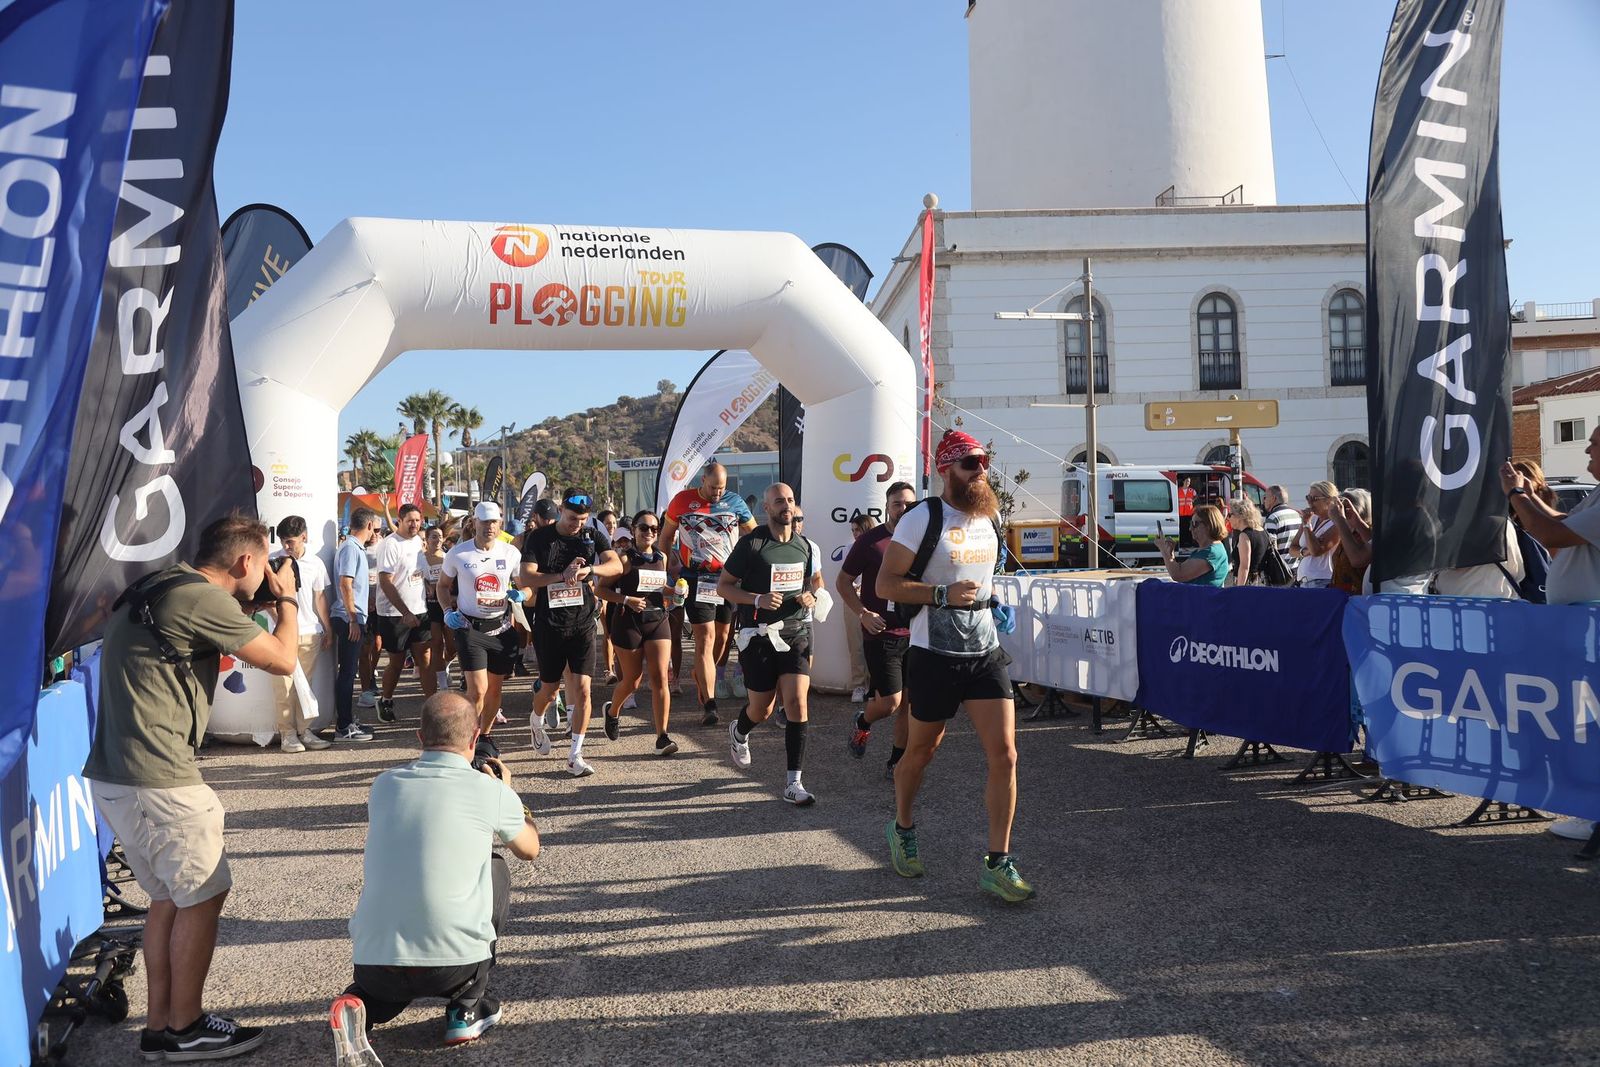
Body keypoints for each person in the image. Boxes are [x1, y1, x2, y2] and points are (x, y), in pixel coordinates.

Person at [85, 515, 307, 1061]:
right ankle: (186, 1028)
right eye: (262, 566)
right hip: (160, 778)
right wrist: (288, 601)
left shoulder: (164, 584)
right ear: (244, 563)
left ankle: (162, 1025)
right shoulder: (203, 600)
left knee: (169, 897)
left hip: (120, 774)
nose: (264, 576)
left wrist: (254, 607)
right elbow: (283, 660)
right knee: (204, 894)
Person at [329, 692, 540, 1060]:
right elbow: (530, 848)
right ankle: (466, 1007)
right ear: (474, 739)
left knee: (384, 996)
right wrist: (510, 795)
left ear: (420, 738)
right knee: (495, 866)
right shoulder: (487, 790)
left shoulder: (384, 785)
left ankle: (360, 1002)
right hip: (452, 967)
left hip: (376, 964)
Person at [876, 430, 1033, 902]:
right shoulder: (923, 518)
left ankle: (998, 861)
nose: (980, 470)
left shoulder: (991, 516)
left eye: (983, 462)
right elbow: (886, 584)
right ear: (946, 469)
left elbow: (985, 579)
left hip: (984, 652)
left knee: (1005, 754)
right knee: (920, 753)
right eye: (969, 464)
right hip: (933, 653)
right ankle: (902, 827)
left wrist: (992, 602)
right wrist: (940, 594)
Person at [1502, 425, 1600, 841]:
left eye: (1595, 442)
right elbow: (1563, 520)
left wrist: (1517, 495)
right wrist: (1528, 495)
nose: (1587, 448)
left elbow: (1553, 533)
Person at [719, 483, 825, 805]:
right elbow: (724, 587)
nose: (787, 506)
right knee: (762, 709)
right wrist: (757, 599)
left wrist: (811, 594)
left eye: (790, 500)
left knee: (797, 703)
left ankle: (794, 783)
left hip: (795, 632)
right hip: (758, 636)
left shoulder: (804, 546)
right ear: (766, 508)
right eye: (780, 501)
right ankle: (740, 731)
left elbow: (815, 580)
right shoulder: (751, 545)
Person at [522, 490, 623, 776]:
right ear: (560, 510)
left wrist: (589, 570)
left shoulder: (592, 535)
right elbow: (526, 576)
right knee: (550, 689)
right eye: (570, 518)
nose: (576, 524)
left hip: (583, 623)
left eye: (581, 519)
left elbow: (616, 565)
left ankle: (575, 755)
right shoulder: (540, 538)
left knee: (583, 691)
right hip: (549, 624)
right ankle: (536, 718)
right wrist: (561, 576)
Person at [662, 462, 756, 726]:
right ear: (702, 480)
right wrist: (669, 562)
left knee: (723, 639)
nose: (717, 492)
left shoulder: (735, 502)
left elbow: (755, 534)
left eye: (722, 488)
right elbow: (666, 536)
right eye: (713, 487)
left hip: (727, 580)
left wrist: (750, 564)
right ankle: (710, 704)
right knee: (705, 637)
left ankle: (703, 674)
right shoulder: (682, 501)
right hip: (695, 578)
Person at [838, 482, 916, 779]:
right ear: (887, 506)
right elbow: (843, 582)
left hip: (916, 633)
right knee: (890, 703)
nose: (904, 508)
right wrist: (863, 613)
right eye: (897, 503)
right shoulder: (871, 541)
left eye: (909, 503)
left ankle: (896, 762)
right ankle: (863, 720)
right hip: (881, 633)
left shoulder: (922, 540)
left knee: (910, 703)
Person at [438, 503, 527, 736]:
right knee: (477, 691)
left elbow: (526, 586)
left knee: (494, 692)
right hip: (470, 629)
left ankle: (484, 737)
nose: (489, 526)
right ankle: (468, 739)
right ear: (474, 522)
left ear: (500, 523)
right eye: (484, 521)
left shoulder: (511, 553)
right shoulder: (458, 553)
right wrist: (448, 611)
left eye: (494, 521)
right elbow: (442, 586)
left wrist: (523, 594)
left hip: (501, 628)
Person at [596, 510, 677, 755]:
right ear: (634, 530)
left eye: (654, 528)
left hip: (657, 620)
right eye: (644, 528)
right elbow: (601, 591)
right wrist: (626, 599)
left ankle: (662, 736)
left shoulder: (662, 556)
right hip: (628, 621)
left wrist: (676, 593)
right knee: (632, 680)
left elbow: (660, 588)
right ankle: (612, 711)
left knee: (661, 678)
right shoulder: (624, 559)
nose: (650, 532)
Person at [268, 515, 333, 752]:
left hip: (309, 633)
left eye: (291, 542)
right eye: (284, 542)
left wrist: (327, 628)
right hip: (280, 636)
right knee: (283, 686)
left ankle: (304, 731)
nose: (286, 547)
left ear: (304, 537)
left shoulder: (315, 563)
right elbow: (266, 600)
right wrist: (281, 621)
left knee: (305, 684)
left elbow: (320, 597)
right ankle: (287, 735)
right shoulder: (272, 561)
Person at [373, 504, 436, 723]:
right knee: (397, 662)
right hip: (393, 614)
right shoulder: (390, 544)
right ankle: (386, 700)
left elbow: (418, 571)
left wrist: (428, 583)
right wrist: (405, 612)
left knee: (425, 659)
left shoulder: (418, 541)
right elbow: (385, 581)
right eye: (410, 520)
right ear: (399, 520)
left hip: (420, 610)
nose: (415, 524)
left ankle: (432, 707)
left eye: (418, 520)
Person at [330, 509, 380, 742]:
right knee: (348, 673)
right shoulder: (351, 547)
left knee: (349, 673)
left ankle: (347, 721)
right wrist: (352, 618)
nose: (376, 534)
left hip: (353, 616)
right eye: (376, 529)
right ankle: (343, 726)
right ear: (369, 525)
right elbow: (345, 584)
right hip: (348, 617)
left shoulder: (353, 547)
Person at [843, 514, 879, 704]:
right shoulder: (849, 548)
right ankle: (859, 685)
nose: (855, 534)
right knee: (856, 645)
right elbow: (845, 578)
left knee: (876, 643)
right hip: (853, 600)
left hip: (876, 600)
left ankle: (876, 685)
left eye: (858, 529)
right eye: (853, 530)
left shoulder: (881, 546)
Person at [1157, 503, 1230, 586]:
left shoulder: (1211, 552)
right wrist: (1170, 553)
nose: (1190, 528)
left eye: (1195, 524)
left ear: (1209, 525)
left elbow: (1178, 574)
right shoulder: (1208, 549)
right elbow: (1180, 570)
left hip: (1203, 598)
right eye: (1190, 523)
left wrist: (1163, 550)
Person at [423, 525, 458, 693]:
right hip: (430, 606)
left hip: (447, 603)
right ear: (427, 540)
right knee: (436, 644)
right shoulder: (420, 559)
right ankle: (443, 684)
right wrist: (426, 585)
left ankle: (446, 665)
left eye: (439, 536)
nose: (437, 540)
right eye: (433, 537)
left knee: (452, 647)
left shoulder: (448, 557)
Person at [1291, 481, 1340, 588]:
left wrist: (1307, 525)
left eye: (1314, 499)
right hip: (1303, 581)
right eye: (1308, 498)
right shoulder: (1312, 518)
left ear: (1329, 500)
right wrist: (1304, 552)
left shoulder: (1336, 523)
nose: (1310, 503)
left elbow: (1316, 551)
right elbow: (1292, 548)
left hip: (1322, 580)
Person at [1327, 489, 1375, 594]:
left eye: (1345, 507)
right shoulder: (1347, 533)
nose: (1341, 510)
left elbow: (1357, 560)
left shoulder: (1366, 534)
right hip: (1340, 596)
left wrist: (1341, 520)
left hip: (1358, 599)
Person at [1224, 499, 1270, 588]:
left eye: (1230, 515)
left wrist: (1239, 590)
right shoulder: (1262, 530)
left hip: (1248, 583)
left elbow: (1244, 567)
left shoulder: (1244, 536)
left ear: (1240, 516)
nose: (1228, 518)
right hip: (1262, 581)